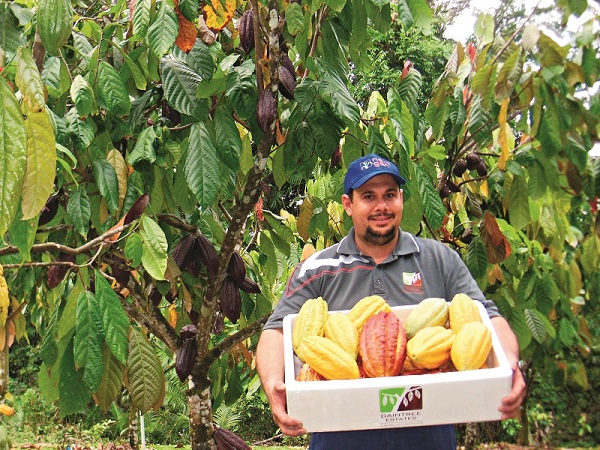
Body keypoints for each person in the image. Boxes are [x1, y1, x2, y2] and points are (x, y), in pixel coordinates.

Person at [256, 154, 527, 450]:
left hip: (428, 437)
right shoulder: (317, 267)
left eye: (390, 195)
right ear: (348, 204)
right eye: (368, 196)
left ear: (401, 199)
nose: (381, 206)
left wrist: (510, 366)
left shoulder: (439, 259)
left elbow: (486, 318)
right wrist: (273, 385)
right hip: (340, 436)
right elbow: (277, 330)